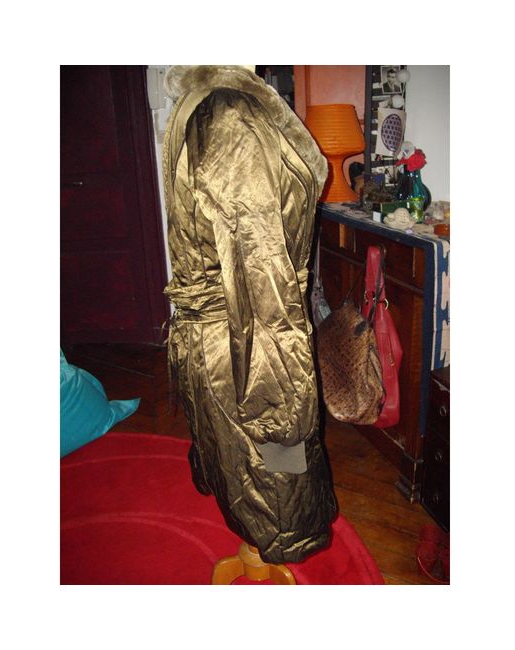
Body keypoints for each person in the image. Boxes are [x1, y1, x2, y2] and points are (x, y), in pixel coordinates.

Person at [163, 65, 338, 564]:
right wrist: (283, 397)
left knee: (249, 464)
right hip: (248, 342)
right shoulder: (229, 117)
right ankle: (279, 540)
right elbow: (260, 269)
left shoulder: (204, 105)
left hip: (225, 335)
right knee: (275, 462)